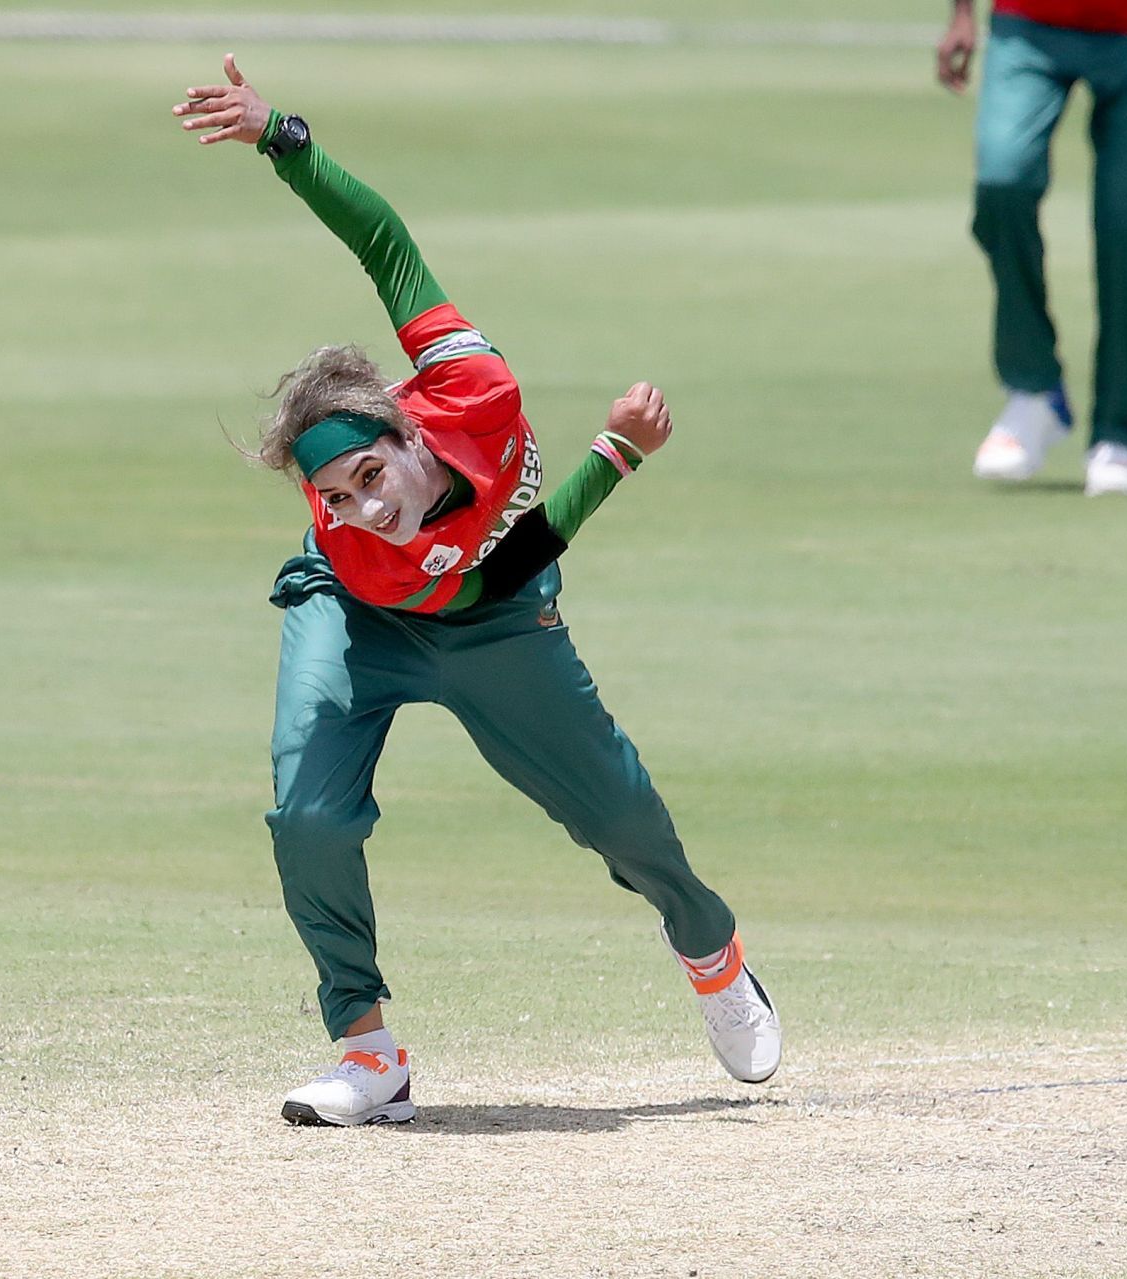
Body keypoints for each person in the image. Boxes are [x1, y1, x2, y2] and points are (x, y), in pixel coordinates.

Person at [172, 56, 781, 1127]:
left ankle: (707, 942)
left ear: (407, 430)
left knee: (618, 817)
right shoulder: (357, 547)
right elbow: (505, 553)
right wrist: (616, 457)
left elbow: (386, 247)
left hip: (501, 624)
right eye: (333, 494)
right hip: (376, 612)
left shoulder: (471, 385)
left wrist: (284, 136)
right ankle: (367, 1052)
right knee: (307, 814)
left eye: (370, 476)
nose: (364, 504)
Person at [938, 0, 1127, 495]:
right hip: (1029, 24)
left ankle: (1116, 431)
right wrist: (960, 12)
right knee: (1003, 181)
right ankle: (1034, 385)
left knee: (1126, 226)